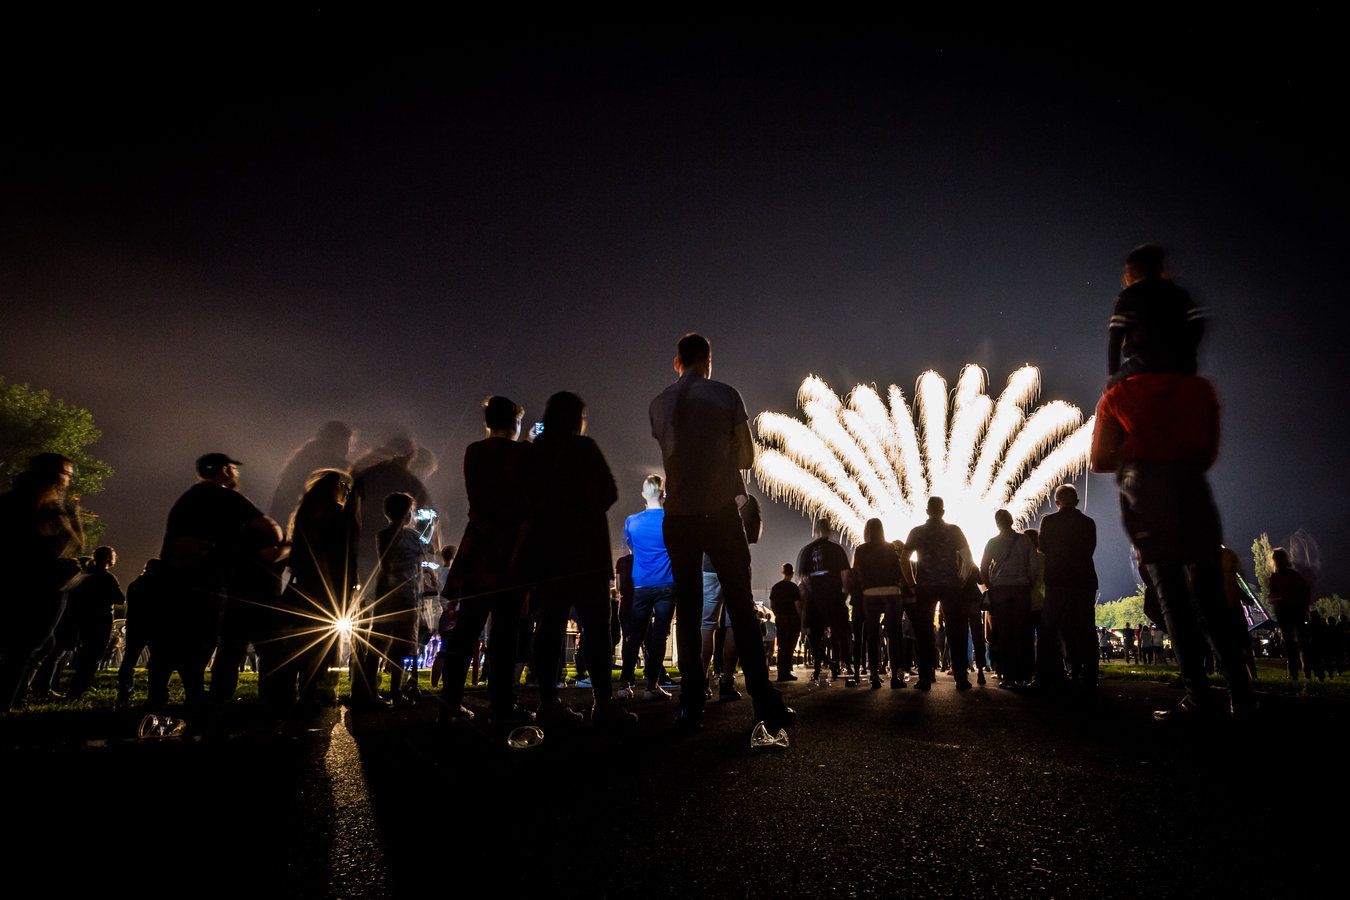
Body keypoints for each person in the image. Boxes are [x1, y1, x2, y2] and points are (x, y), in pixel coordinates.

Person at [649, 333, 794, 736]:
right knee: (742, 608)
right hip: (718, 512)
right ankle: (763, 702)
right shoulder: (726, 394)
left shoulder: (658, 403)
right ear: (708, 362)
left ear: (677, 363)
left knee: (689, 611)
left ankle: (690, 705)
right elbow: (746, 457)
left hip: (678, 515)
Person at [1091, 371, 1255, 720]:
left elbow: (1099, 460)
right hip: (1193, 493)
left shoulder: (1119, 394)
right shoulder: (1197, 387)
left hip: (1146, 497)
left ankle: (1197, 696)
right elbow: (1207, 453)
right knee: (1211, 599)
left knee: (1172, 601)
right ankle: (1241, 698)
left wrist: (1136, 452)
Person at [515, 391, 634, 726]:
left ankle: (549, 703)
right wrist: (584, 509)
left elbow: (526, 499)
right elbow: (609, 492)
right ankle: (603, 702)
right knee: (596, 628)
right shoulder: (585, 448)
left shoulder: (535, 452)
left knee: (549, 626)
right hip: (588, 552)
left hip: (549, 552)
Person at [157, 453, 286, 710]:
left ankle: (176, 695)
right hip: (208, 576)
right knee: (205, 637)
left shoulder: (187, 499)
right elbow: (269, 526)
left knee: (186, 639)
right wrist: (281, 543)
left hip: (175, 575)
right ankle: (198, 699)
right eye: (233, 469)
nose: (235, 474)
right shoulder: (225, 497)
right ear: (225, 471)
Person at [438, 397, 532, 725]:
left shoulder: (474, 452)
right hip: (510, 546)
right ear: (515, 422)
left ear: (487, 422)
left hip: (478, 544)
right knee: (506, 630)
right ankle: (502, 703)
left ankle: (449, 701)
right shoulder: (524, 454)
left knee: (467, 627)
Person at [261, 468, 351, 715]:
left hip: (301, 584)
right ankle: (309, 695)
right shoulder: (336, 513)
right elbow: (341, 552)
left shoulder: (304, 513)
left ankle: (289, 694)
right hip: (325, 586)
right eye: (345, 487)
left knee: (299, 641)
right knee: (320, 643)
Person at [0, 454, 85, 710]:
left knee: (36, 646)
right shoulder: (29, 506)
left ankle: (16, 698)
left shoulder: (49, 507)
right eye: (66, 474)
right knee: (23, 648)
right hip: (33, 585)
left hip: (41, 583)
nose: (68, 480)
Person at [1106, 244, 1203, 388]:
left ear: (1128, 277)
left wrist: (1112, 375)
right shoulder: (1180, 295)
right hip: (1183, 365)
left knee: (1110, 392)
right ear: (1163, 273)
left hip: (1144, 363)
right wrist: (1187, 351)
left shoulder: (1128, 298)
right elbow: (1198, 322)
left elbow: (1115, 338)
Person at [903, 497, 973, 691]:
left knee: (924, 633)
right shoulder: (954, 531)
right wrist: (961, 580)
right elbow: (968, 559)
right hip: (950, 585)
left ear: (927, 511)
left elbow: (904, 559)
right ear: (943, 511)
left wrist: (912, 584)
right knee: (956, 632)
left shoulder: (917, 532)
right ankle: (961, 677)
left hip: (925, 586)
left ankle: (925, 677)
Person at [1037, 485, 1100, 694]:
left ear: (1057, 502)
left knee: (1048, 629)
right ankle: (1091, 676)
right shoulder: (1088, 522)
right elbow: (1090, 548)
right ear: (1077, 501)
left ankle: (1044, 676)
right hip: (1084, 581)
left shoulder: (1049, 521)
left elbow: (1042, 548)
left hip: (1057, 580)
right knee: (1086, 629)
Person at [618, 475, 676, 702]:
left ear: (643, 494)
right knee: (660, 635)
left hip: (641, 585)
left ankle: (624, 685)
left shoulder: (632, 521)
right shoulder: (670, 520)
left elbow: (632, 547)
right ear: (664, 494)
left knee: (635, 635)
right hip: (666, 584)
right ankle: (652, 685)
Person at [979, 509, 1037, 689]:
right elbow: (1033, 564)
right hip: (1021, 589)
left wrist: (990, 585)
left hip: (1001, 590)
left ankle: (1009, 676)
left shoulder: (993, 542)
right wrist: (1030, 582)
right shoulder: (1025, 540)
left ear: (997, 523)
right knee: (1023, 633)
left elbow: (983, 567)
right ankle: (1026, 676)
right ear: (1012, 521)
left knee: (1006, 634)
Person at [797, 519, 853, 686]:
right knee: (840, 633)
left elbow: (803, 578)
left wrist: (810, 595)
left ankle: (818, 667)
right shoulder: (837, 549)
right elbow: (845, 575)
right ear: (830, 530)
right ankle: (840, 664)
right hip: (834, 596)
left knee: (813, 636)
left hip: (815, 599)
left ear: (815, 530)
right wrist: (845, 594)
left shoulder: (807, 550)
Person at [851, 518, 904, 689]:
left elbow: (856, 572)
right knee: (893, 635)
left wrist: (862, 587)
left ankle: (874, 675)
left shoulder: (861, 549)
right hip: (891, 592)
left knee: (872, 635)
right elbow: (898, 570)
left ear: (867, 531)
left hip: (870, 593)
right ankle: (895, 676)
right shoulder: (890, 547)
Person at [1267, 547, 1319, 681]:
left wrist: (1279, 600)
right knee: (1303, 643)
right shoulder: (1294, 575)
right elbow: (1305, 591)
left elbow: (1272, 595)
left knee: (1290, 644)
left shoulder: (1275, 577)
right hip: (1297, 611)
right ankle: (1307, 672)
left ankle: (1294, 674)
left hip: (1285, 613)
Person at [768, 563, 803, 682]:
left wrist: (777, 614)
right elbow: (797, 605)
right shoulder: (794, 588)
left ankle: (781, 672)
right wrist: (801, 619)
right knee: (790, 646)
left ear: (782, 572)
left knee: (781, 646)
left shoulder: (776, 587)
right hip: (793, 619)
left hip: (780, 619)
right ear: (792, 573)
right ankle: (786, 671)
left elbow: (772, 604)